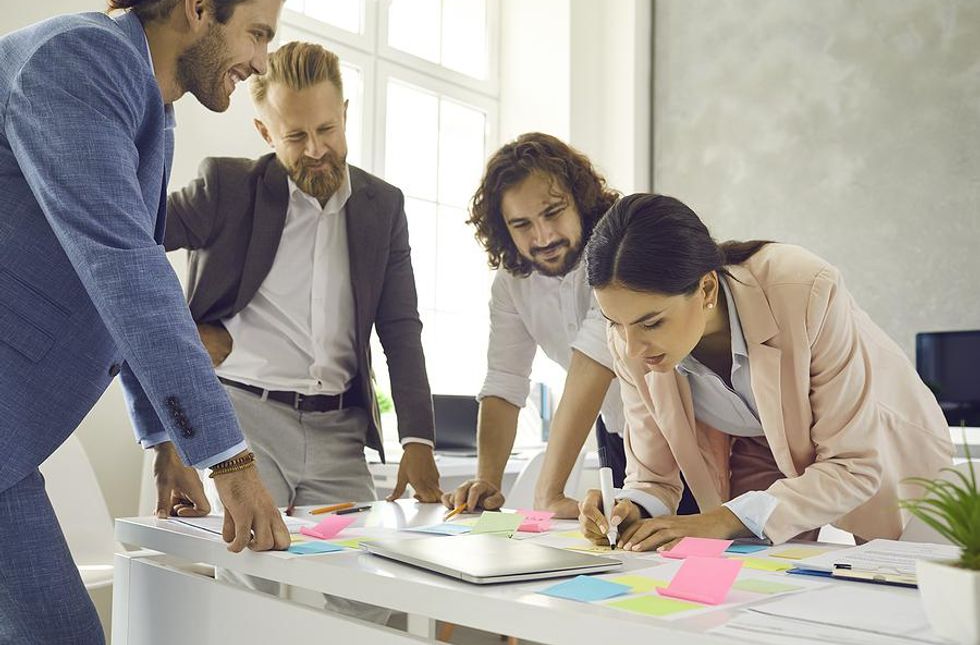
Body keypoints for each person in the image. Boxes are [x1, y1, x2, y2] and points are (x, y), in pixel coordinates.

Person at [0, 0, 287, 642]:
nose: (262, 63)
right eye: (257, 34)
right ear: (198, 5)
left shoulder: (146, 100)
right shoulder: (78, 61)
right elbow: (125, 268)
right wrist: (227, 458)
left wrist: (163, 439)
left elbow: (125, 271)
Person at [578, 193, 954, 550]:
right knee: (757, 573)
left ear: (706, 288)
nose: (631, 347)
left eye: (652, 323)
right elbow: (653, 476)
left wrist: (720, 520)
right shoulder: (630, 344)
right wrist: (630, 507)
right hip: (764, 448)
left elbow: (854, 464)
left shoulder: (804, 289)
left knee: (892, 586)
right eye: (614, 323)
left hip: (878, 439)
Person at [165, 40, 442, 511]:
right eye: (295, 137)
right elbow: (126, 239)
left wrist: (418, 439)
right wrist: (178, 331)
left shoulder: (383, 207)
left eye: (327, 129)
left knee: (359, 577)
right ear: (265, 132)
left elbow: (400, 328)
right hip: (244, 420)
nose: (316, 150)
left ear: (345, 114)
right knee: (252, 574)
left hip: (340, 432)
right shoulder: (227, 187)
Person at [442, 133, 698, 518]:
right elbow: (504, 382)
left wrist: (549, 492)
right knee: (629, 562)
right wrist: (488, 484)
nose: (542, 236)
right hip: (617, 436)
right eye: (522, 224)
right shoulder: (511, 285)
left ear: (580, 200)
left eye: (552, 213)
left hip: (689, 431)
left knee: (708, 561)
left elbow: (593, 362)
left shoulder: (615, 254)